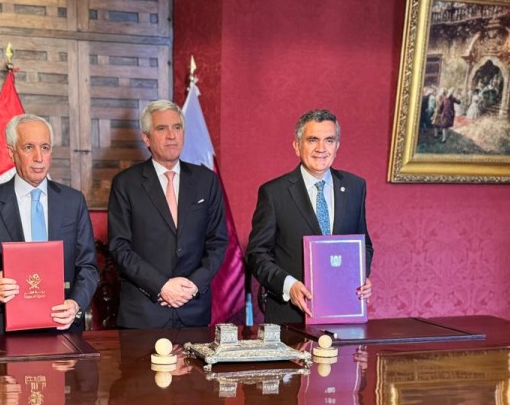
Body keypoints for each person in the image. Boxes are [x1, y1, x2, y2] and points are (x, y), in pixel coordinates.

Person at [0, 114, 98, 334]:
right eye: (28, 147)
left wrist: (75, 304)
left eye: (45, 147)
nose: (39, 157)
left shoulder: (73, 201)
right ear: (11, 152)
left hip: (62, 325)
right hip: (3, 328)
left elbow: (88, 266)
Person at [107, 99, 228, 329]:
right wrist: (161, 286)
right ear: (146, 138)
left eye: (177, 127)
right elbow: (119, 247)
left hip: (193, 310)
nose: (171, 135)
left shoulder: (207, 181)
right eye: (162, 128)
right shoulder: (125, 184)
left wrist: (193, 285)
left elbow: (218, 242)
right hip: (144, 314)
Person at [246, 109, 373, 324]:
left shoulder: (355, 187)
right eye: (313, 140)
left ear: (337, 146)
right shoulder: (274, 193)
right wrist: (289, 286)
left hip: (343, 312)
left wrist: (360, 276)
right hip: (290, 316)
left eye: (329, 140)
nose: (321, 148)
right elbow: (257, 255)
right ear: (297, 146)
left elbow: (364, 245)